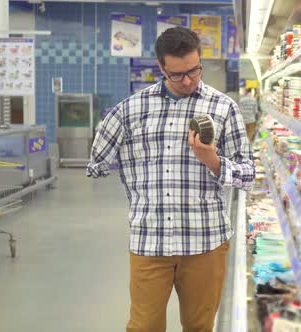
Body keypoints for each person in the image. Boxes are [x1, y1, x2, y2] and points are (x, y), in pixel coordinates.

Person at [86, 26, 255, 332]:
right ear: (161, 68)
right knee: (144, 327)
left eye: (194, 70)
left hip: (206, 241)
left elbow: (248, 173)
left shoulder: (223, 108)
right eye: (177, 74)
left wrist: (213, 161)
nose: (188, 80)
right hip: (150, 240)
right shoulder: (130, 110)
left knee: (200, 327)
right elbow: (96, 161)